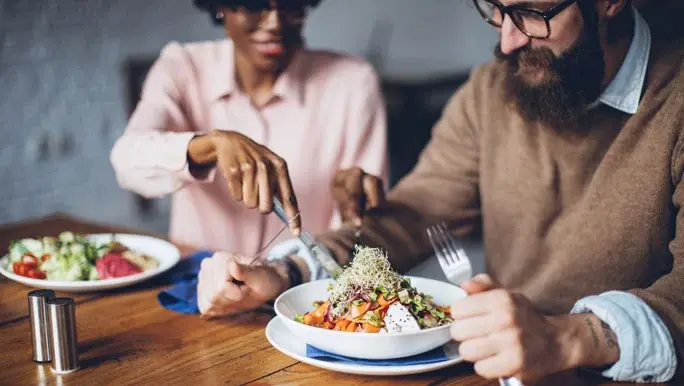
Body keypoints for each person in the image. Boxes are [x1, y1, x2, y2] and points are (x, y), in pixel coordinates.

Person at [197, 0, 684, 383]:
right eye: (496, 9)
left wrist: (572, 338)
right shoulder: (492, 89)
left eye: (533, 14)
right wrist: (286, 272)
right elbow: (411, 215)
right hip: (497, 372)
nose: (509, 41)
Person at [110, 0, 388, 259]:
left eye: (290, 5)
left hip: (303, 288)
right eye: (254, 5)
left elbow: (364, 233)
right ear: (220, 6)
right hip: (197, 283)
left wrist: (351, 209)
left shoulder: (352, 82)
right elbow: (127, 164)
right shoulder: (183, 67)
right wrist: (210, 145)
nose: (274, 23)